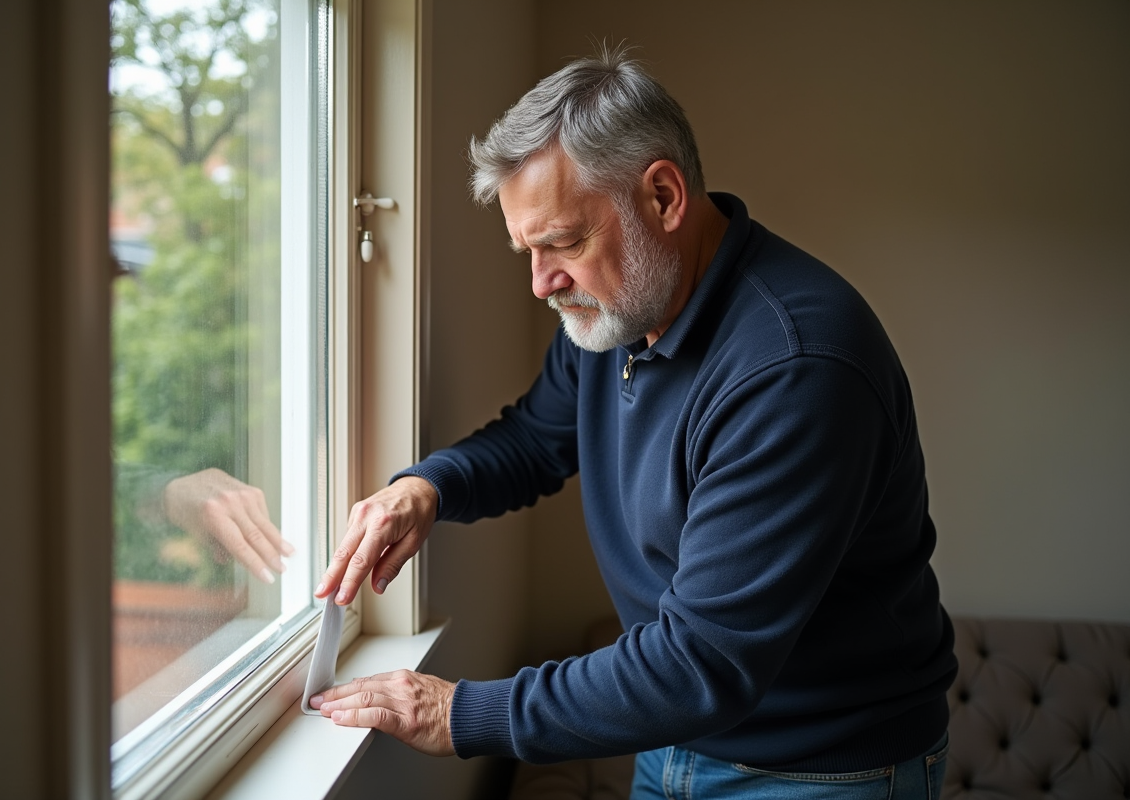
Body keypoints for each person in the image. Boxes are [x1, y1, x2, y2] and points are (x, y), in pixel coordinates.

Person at [309, 44, 958, 798]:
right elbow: (536, 439)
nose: (542, 283)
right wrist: (425, 488)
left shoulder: (795, 368)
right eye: (527, 249)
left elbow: (700, 664)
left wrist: (461, 713)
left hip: (821, 770)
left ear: (662, 198)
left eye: (562, 243)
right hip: (671, 739)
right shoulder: (615, 312)